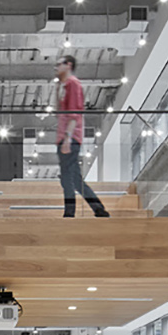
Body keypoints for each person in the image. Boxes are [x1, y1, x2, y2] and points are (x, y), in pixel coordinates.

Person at [53, 55, 110, 219]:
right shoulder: (64, 86)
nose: (56, 67)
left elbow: (74, 114)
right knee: (75, 179)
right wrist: (57, 90)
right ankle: (99, 209)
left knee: (67, 178)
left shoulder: (73, 84)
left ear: (68, 65)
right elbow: (59, 112)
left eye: (59, 64)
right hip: (64, 137)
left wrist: (68, 138)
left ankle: (69, 213)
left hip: (69, 137)